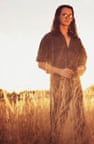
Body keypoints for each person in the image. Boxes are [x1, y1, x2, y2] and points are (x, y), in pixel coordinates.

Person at [36, 4, 88, 144]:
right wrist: (60, 71)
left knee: (79, 117)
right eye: (64, 14)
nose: (67, 17)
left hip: (76, 82)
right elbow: (40, 63)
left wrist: (82, 68)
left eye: (70, 15)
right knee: (58, 117)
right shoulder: (48, 38)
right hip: (57, 81)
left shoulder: (76, 40)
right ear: (58, 17)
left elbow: (84, 60)